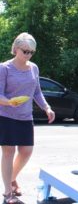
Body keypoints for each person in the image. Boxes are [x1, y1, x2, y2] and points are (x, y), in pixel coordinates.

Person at [0, 33, 55, 203]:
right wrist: (8, 102)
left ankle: (11, 178)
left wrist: (47, 107)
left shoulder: (34, 68)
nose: (28, 55)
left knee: (26, 151)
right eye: (25, 51)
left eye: (32, 52)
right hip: (6, 115)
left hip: (25, 116)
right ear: (16, 49)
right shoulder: (4, 68)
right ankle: (8, 193)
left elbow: (37, 92)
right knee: (8, 152)